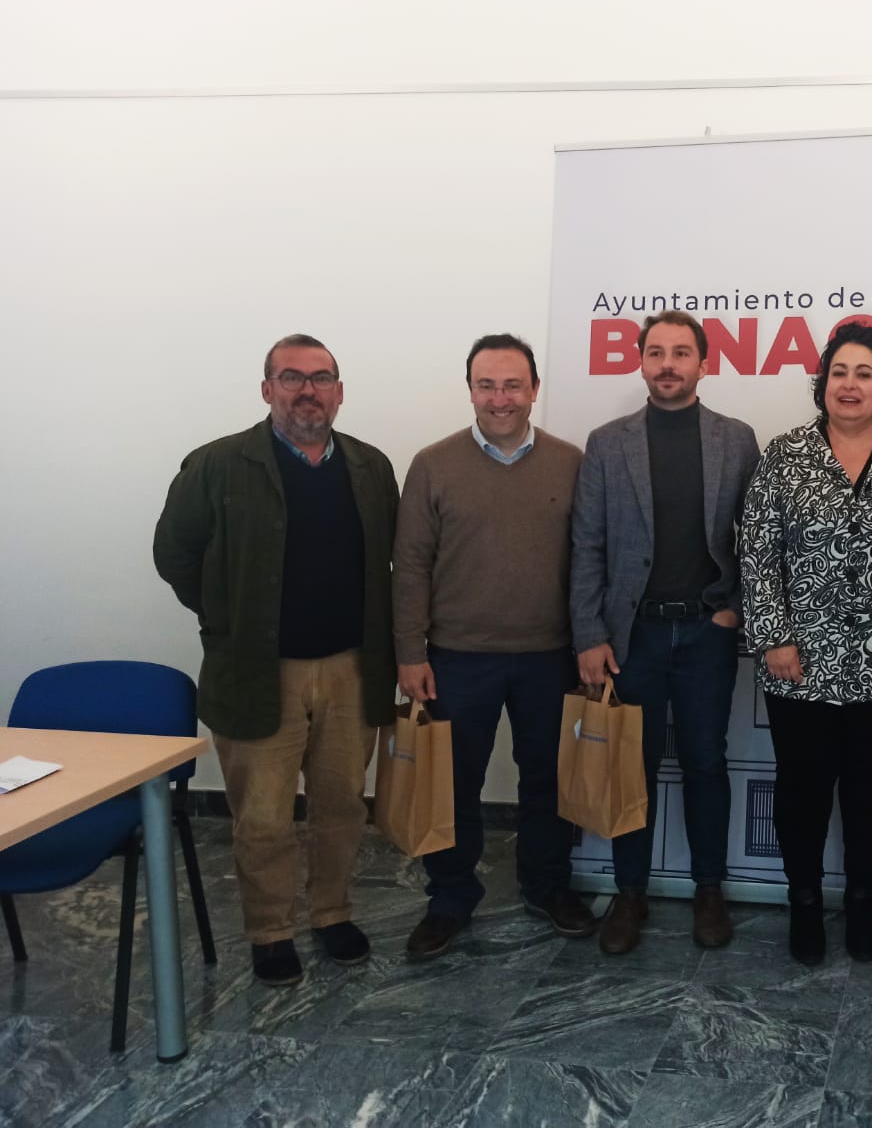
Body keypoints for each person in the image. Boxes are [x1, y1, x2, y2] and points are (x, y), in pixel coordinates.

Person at [153, 334, 399, 987]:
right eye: (292, 377)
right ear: (267, 389)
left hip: (351, 669)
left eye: (321, 378)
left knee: (341, 806)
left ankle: (332, 912)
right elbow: (174, 554)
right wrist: (226, 618)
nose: (308, 390)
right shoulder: (217, 465)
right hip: (258, 671)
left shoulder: (371, 467)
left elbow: (391, 562)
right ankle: (271, 931)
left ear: (339, 392)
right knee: (262, 815)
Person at [740, 321, 872, 966]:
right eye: (839, 373)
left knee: (870, 786)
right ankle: (804, 901)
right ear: (822, 384)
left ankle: (862, 899)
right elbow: (757, 553)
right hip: (798, 659)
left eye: (865, 374)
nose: (850, 385)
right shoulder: (785, 454)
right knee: (801, 788)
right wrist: (773, 636)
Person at [394, 333, 594, 959]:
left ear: (534, 390)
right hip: (456, 657)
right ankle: (450, 898)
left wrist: (589, 641)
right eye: (487, 385)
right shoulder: (433, 464)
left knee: (549, 783)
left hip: (549, 656)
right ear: (470, 390)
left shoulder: (571, 462)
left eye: (512, 385)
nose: (500, 398)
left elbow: (590, 559)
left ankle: (548, 887)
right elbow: (410, 564)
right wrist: (410, 652)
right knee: (451, 785)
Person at [569, 310, 760, 955]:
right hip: (633, 639)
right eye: (657, 352)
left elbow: (758, 537)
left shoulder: (736, 439)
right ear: (641, 362)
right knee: (632, 767)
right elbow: (587, 545)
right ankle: (630, 893)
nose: (668, 364)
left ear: (704, 363)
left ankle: (710, 889)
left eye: (682, 353)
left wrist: (736, 608)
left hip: (706, 633)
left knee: (707, 762)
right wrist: (589, 634)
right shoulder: (607, 443)